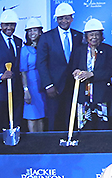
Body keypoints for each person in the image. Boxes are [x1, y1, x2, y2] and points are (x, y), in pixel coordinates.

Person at [37, 3, 82, 132]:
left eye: (66, 17)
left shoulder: (78, 36)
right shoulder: (46, 37)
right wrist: (48, 85)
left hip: (74, 85)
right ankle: (53, 147)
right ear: (56, 19)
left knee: (72, 118)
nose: (64, 21)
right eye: (60, 18)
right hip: (54, 87)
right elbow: (41, 63)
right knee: (54, 119)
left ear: (72, 18)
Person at [70, 19, 112, 130]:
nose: (94, 37)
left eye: (96, 34)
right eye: (91, 34)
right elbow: (73, 67)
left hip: (102, 94)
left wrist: (92, 74)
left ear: (101, 35)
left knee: (102, 126)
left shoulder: (108, 49)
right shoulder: (79, 50)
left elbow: (109, 72)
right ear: (86, 36)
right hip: (83, 94)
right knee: (84, 127)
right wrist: (75, 72)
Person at [21, 17, 47, 132]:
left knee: (41, 116)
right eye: (29, 30)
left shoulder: (44, 47)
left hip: (43, 85)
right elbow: (23, 72)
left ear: (40, 32)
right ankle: (33, 144)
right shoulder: (24, 50)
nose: (32, 33)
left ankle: (41, 143)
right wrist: (26, 90)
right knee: (31, 117)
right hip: (31, 86)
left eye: (35, 30)